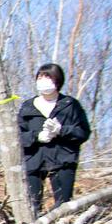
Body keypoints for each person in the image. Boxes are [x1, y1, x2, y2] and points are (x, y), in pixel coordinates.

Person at [18, 62, 91, 215]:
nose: (43, 81)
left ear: (57, 81)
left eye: (48, 77)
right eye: (40, 77)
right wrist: (37, 136)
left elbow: (83, 132)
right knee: (32, 206)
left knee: (63, 205)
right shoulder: (27, 107)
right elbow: (18, 137)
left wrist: (61, 130)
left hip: (63, 161)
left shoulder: (70, 105)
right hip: (34, 162)